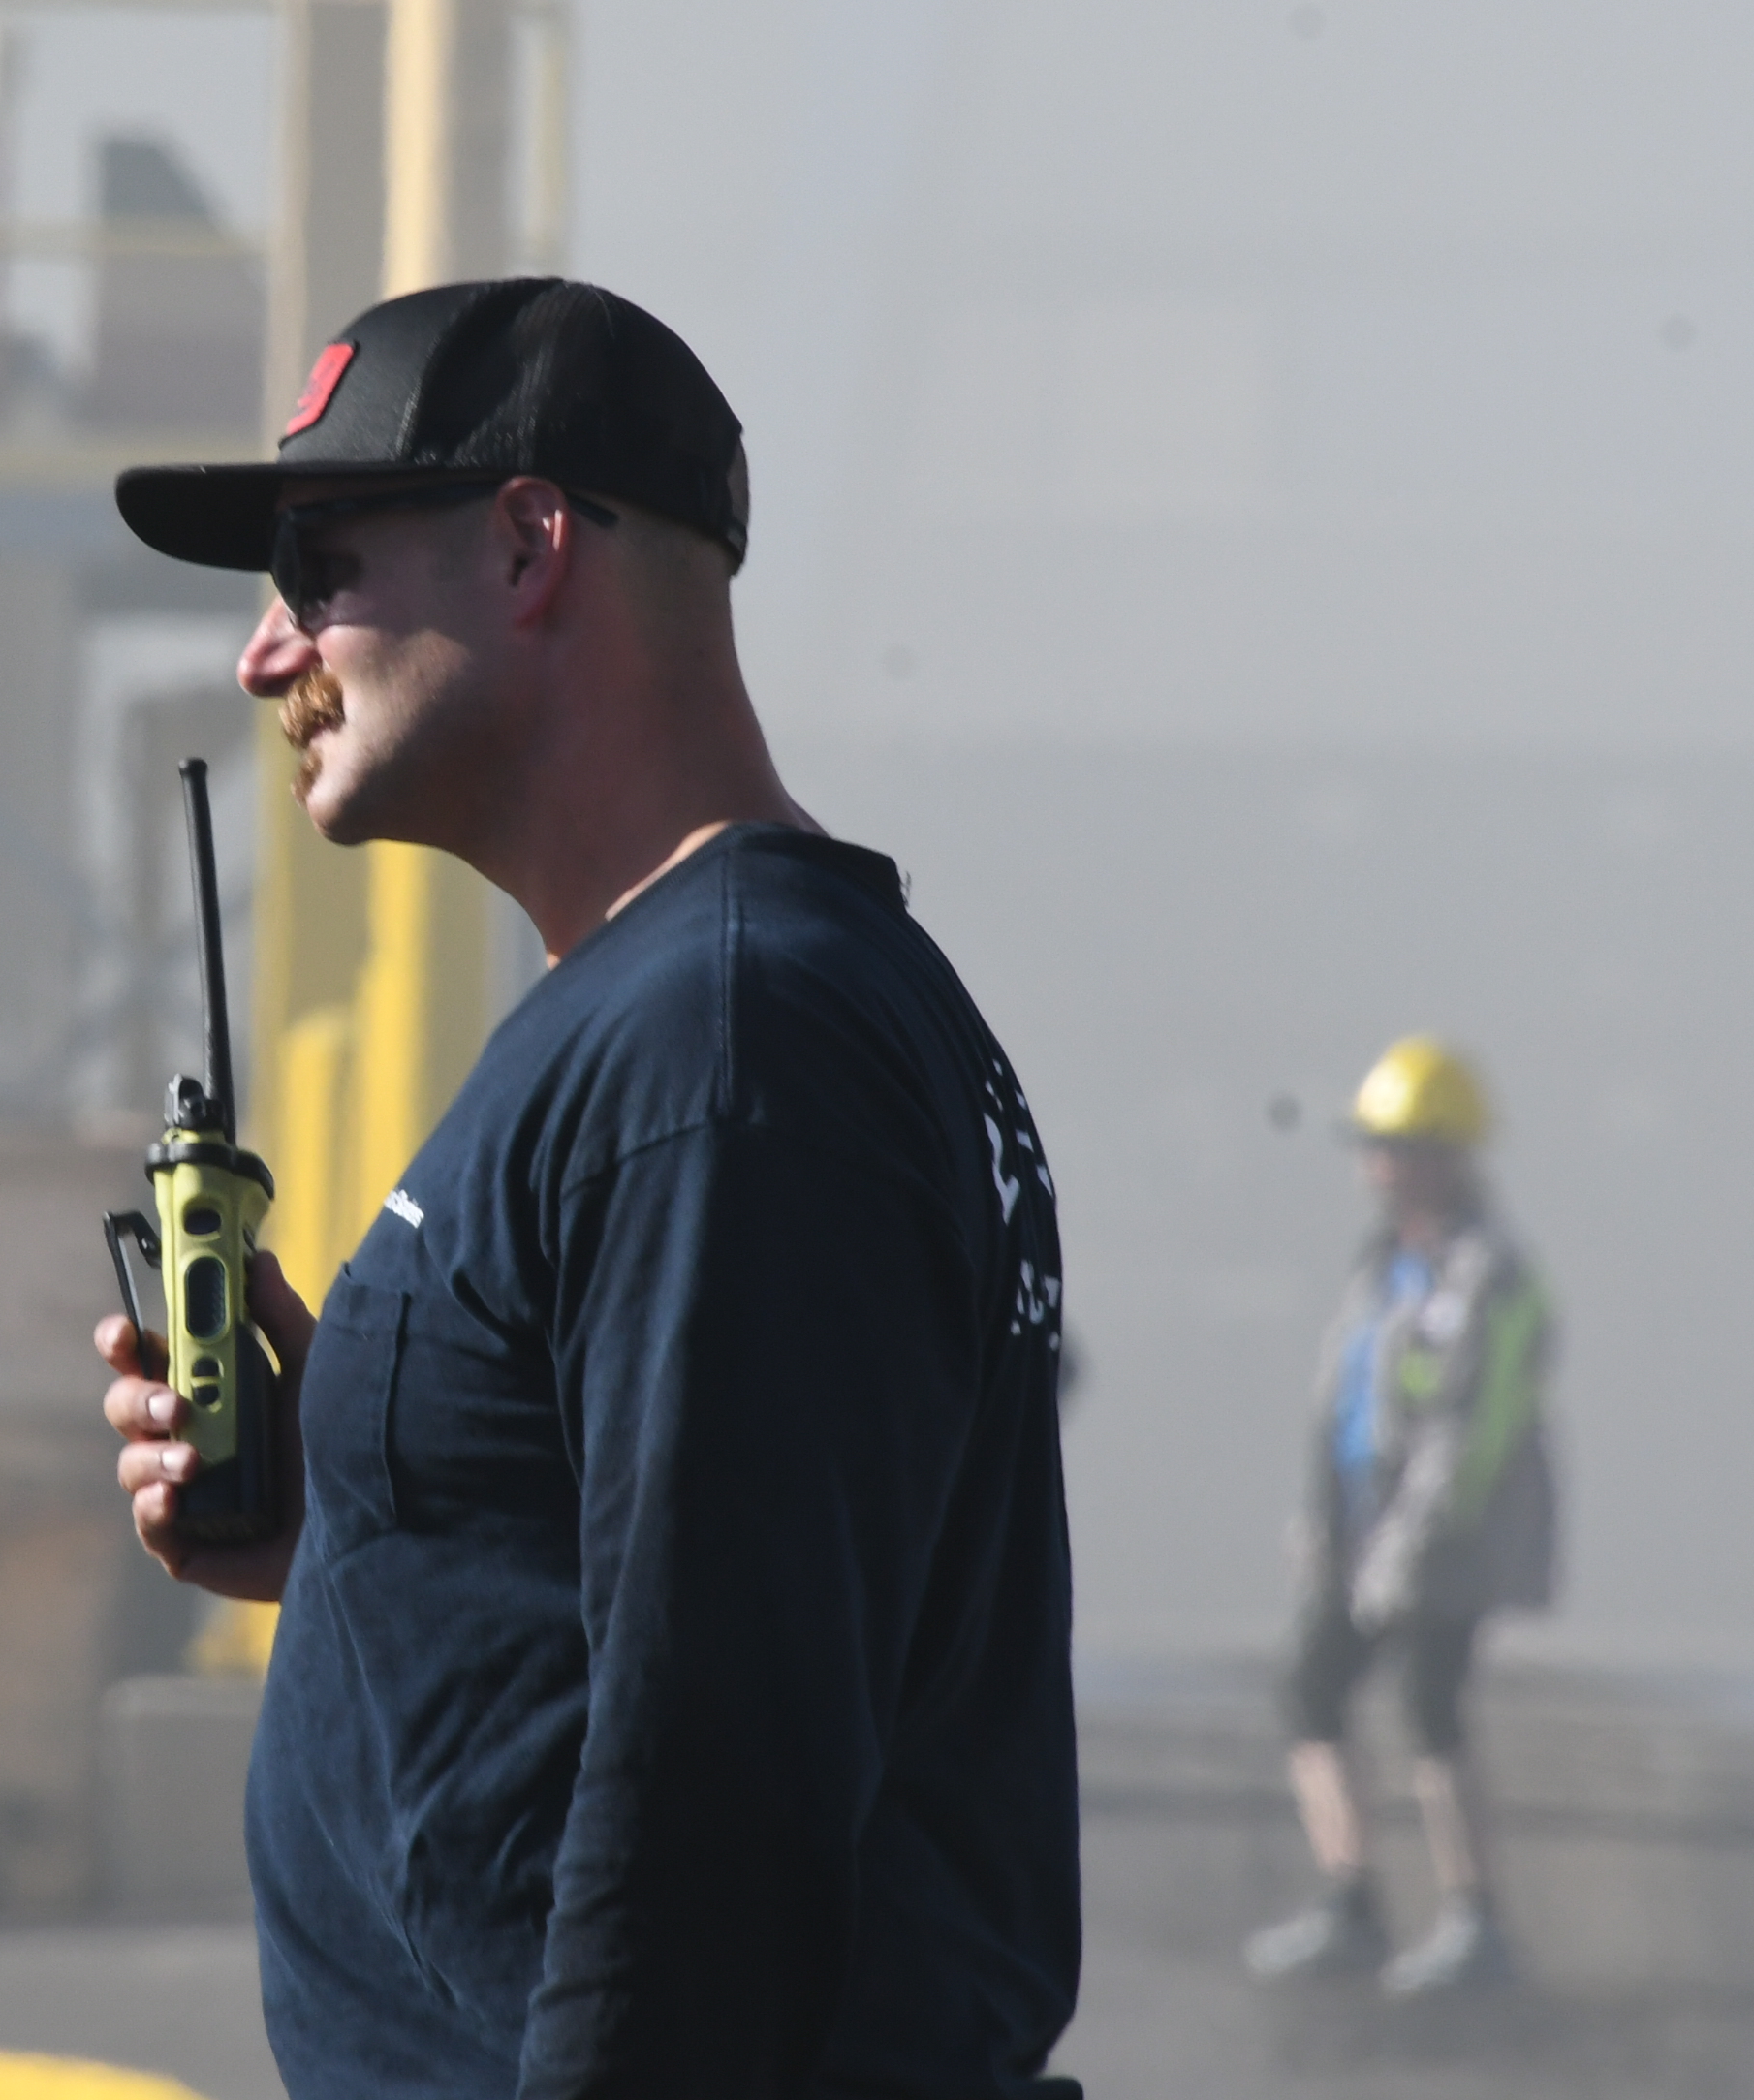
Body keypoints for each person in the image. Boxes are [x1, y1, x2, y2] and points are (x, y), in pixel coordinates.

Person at [99, 277, 1081, 2100]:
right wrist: (368, 1518)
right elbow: (652, 1600)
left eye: (315, 567)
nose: (262, 653)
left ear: (529, 543)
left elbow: (716, 1797)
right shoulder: (700, 1015)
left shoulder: (727, 1049)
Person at [1241, 1035, 1558, 2000]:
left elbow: (1474, 1434)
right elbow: (1342, 1406)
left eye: (1393, 1147)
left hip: (1438, 1548)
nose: (1375, 1166)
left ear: (1443, 1156)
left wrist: (1411, 1546)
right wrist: (1323, 1527)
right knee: (1310, 1694)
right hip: (1362, 1538)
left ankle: (1475, 1921)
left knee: (1431, 1712)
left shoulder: (1491, 1277)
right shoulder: (1384, 1267)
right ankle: (1353, 1904)